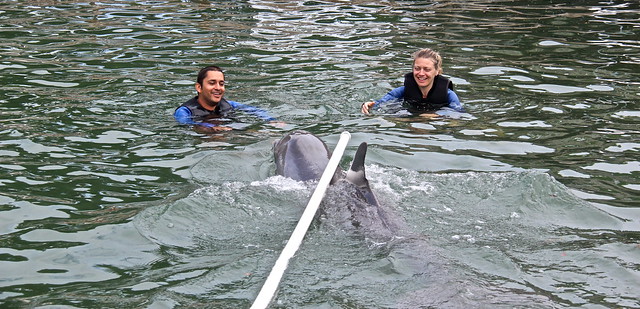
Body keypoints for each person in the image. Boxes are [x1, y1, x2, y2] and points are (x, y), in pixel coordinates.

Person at [361, 48, 464, 115]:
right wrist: (370, 105)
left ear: (437, 71)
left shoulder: (448, 95)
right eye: (417, 68)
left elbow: (458, 114)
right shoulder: (403, 91)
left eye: (427, 69)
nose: (421, 73)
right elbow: (381, 102)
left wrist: (434, 116)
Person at [174, 65, 277, 131]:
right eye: (212, 83)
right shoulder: (185, 111)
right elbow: (187, 123)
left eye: (221, 84)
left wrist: (270, 120)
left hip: (228, 131)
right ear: (199, 87)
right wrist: (211, 127)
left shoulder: (229, 104)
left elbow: (254, 110)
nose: (218, 88)